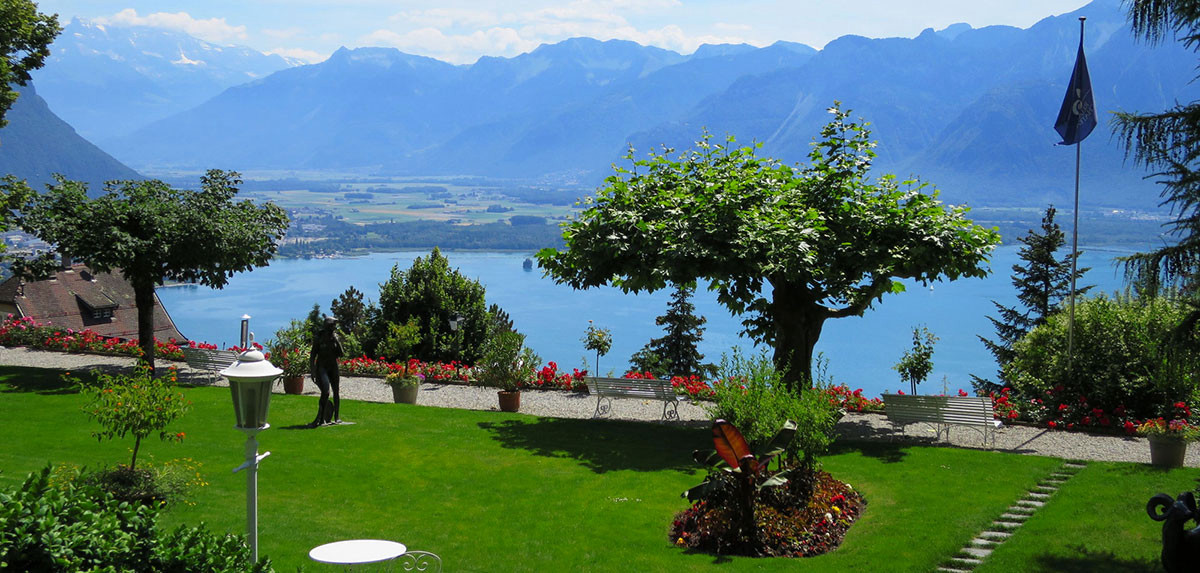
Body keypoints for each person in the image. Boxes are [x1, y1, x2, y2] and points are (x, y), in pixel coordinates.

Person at [309, 315, 344, 426]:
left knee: (336, 391)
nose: (334, 328)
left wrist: (336, 341)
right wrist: (313, 370)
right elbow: (313, 355)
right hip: (322, 367)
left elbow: (341, 354)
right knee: (326, 392)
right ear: (328, 326)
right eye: (333, 326)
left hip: (333, 366)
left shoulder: (335, 337)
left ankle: (337, 417)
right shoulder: (319, 338)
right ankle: (321, 418)